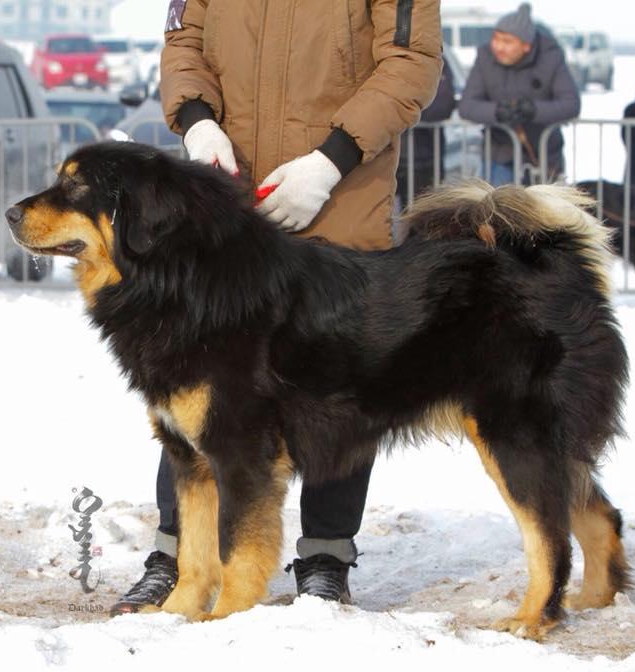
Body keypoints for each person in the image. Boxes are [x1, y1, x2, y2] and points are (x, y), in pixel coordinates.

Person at [110, 0, 443, 615]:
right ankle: (179, 552)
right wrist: (196, 120)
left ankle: (325, 556)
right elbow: (184, 43)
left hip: (340, 195)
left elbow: (409, 65)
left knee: (338, 390)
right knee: (193, 381)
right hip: (229, 197)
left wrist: (330, 161)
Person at [457, 3, 580, 185]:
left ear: (526, 46)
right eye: (496, 38)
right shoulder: (485, 57)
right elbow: (467, 105)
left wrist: (533, 110)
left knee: (542, 212)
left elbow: (571, 104)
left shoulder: (551, 56)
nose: (498, 47)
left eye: (507, 42)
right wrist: (498, 111)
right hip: (499, 153)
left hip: (543, 154)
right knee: (498, 210)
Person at [396, 58, 456, 207]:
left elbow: (443, 105)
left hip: (423, 158)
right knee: (375, 221)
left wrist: (400, 109)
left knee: (421, 219)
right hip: (378, 155)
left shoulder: (435, 57)